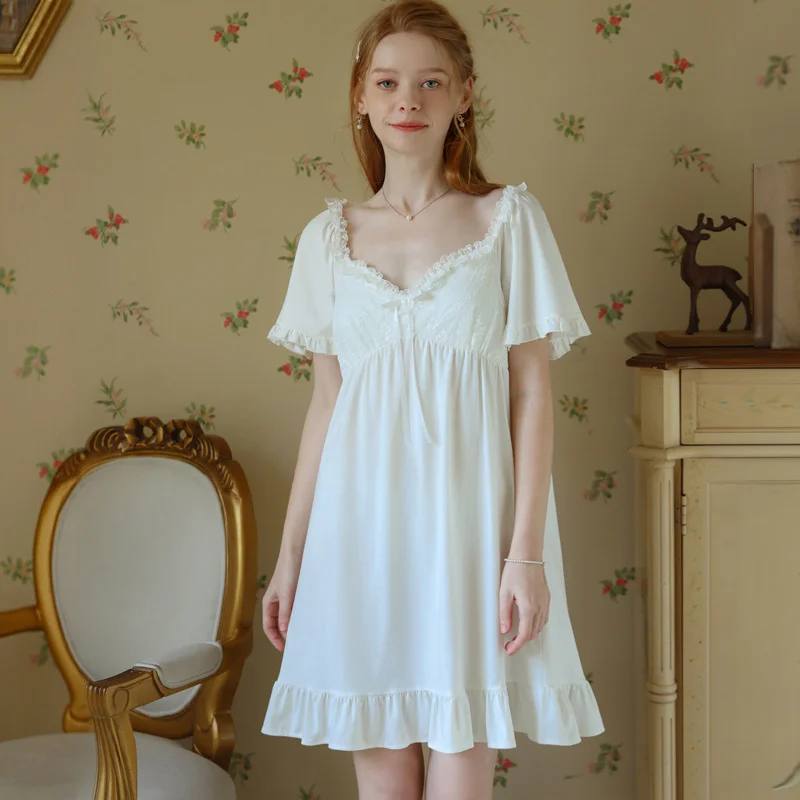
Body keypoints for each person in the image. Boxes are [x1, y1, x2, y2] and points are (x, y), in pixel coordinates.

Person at [261, 1, 604, 797]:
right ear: (360, 96)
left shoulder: (506, 221)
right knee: (381, 764)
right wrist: (291, 557)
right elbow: (326, 405)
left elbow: (532, 394)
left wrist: (525, 556)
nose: (407, 100)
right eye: (387, 82)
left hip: (471, 529)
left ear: (463, 96)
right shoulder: (327, 239)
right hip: (358, 532)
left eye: (430, 82)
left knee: (461, 753)